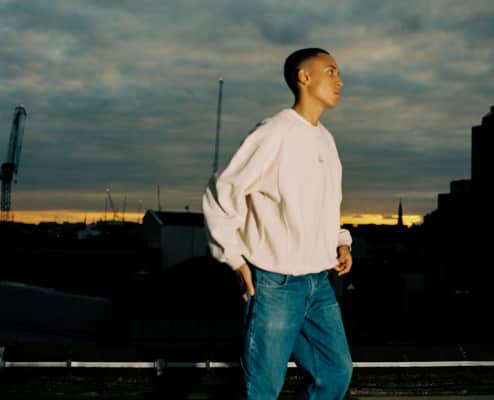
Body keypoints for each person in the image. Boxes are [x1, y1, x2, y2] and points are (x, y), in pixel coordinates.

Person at [202, 47, 353, 400]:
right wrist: (234, 259)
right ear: (304, 77)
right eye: (331, 71)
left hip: (319, 281)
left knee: (335, 372)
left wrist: (339, 240)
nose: (340, 81)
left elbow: (323, 203)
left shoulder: (326, 139)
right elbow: (223, 190)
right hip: (276, 284)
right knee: (262, 389)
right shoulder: (274, 131)